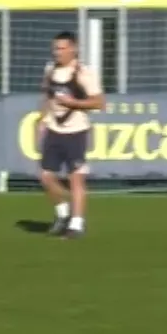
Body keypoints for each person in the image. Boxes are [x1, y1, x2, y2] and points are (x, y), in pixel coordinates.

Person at [37, 31, 105, 239]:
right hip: (54, 129)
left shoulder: (84, 72)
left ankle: (77, 224)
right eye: (55, 48)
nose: (56, 52)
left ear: (73, 49)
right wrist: (42, 118)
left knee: (76, 178)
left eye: (61, 48)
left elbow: (99, 103)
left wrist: (72, 103)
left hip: (76, 130)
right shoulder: (50, 70)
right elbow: (47, 95)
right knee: (46, 177)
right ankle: (63, 214)